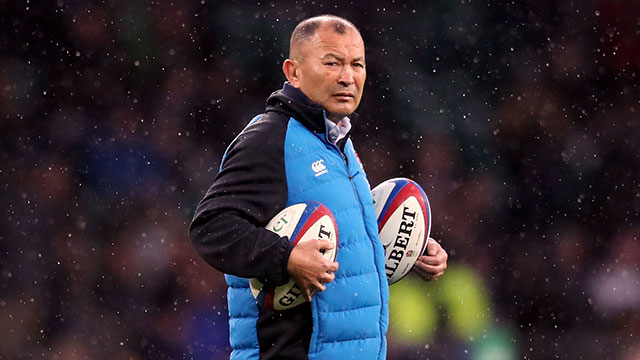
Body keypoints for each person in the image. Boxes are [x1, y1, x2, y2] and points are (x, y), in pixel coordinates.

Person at [189, 14, 448, 360]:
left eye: (357, 64)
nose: (347, 77)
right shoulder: (269, 139)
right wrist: (287, 258)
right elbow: (210, 227)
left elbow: (334, 238)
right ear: (293, 72)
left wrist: (404, 246)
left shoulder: (338, 143)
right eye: (332, 63)